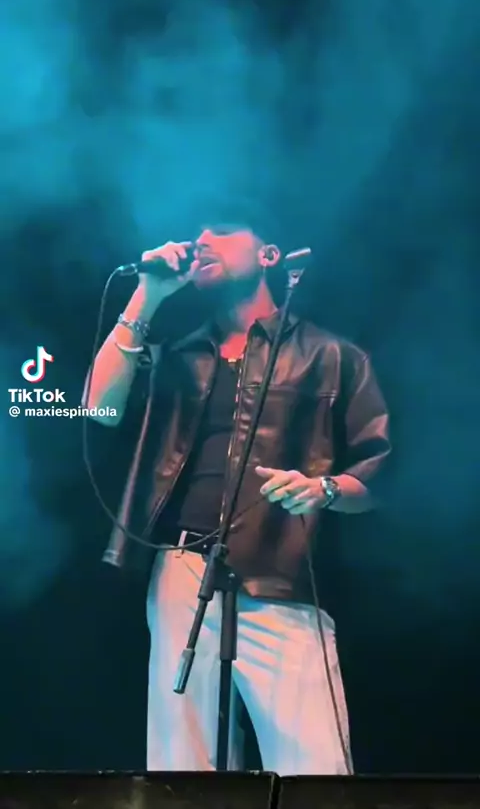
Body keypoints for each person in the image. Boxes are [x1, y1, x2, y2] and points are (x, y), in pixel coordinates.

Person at [86, 226, 391, 775]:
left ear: (269, 254)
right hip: (183, 570)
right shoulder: (179, 355)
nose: (203, 239)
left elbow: (379, 476)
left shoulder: (333, 356)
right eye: (200, 230)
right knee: (182, 767)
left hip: (282, 576)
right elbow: (99, 408)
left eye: (223, 229)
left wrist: (322, 489)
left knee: (316, 768)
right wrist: (148, 295)